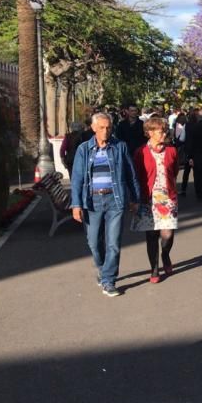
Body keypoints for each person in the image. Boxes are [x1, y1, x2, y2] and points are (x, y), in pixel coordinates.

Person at [69, 113, 140, 297]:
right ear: (93, 128)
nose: (105, 131)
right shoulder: (84, 149)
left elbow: (130, 175)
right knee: (93, 242)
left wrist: (135, 199)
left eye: (108, 127)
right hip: (92, 201)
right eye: (101, 127)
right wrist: (76, 204)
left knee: (113, 243)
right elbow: (76, 179)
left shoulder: (120, 147)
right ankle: (102, 269)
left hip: (115, 200)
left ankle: (109, 280)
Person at [131, 117, 178, 284]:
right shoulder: (140, 152)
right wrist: (134, 199)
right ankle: (154, 268)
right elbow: (135, 176)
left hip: (167, 197)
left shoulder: (171, 150)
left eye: (165, 130)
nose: (164, 133)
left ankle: (165, 254)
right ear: (150, 133)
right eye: (160, 131)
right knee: (151, 235)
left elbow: (174, 171)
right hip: (147, 198)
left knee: (167, 234)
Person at [174, 113, 190, 196]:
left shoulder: (178, 126)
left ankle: (183, 189)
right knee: (186, 170)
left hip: (181, 150)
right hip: (185, 150)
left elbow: (179, 139)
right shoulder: (187, 126)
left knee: (184, 171)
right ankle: (183, 188)